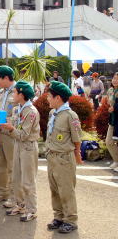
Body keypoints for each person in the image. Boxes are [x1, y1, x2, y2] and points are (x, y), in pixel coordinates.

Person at [45, 81, 83, 234]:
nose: (47, 98)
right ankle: (59, 217)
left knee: (66, 190)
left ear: (58, 98)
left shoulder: (70, 115)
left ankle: (71, 220)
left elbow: (76, 138)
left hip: (64, 158)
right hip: (52, 156)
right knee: (54, 189)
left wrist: (78, 155)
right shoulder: (52, 113)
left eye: (49, 96)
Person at [0, 81, 40, 222]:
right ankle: (20, 204)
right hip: (17, 144)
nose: (13, 94)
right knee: (16, 177)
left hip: (27, 146)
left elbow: (23, 134)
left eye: (15, 92)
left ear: (22, 95)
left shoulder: (31, 112)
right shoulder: (18, 108)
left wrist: (10, 128)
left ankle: (31, 209)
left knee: (28, 180)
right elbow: (13, 124)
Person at [0, 66, 16, 205]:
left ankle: (14, 196)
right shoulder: (1, 92)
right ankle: (2, 191)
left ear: (6, 78)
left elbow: (20, 115)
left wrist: (8, 122)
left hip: (10, 133)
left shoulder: (19, 91)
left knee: (12, 165)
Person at [106, 72, 118, 171]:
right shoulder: (110, 90)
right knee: (109, 142)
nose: (115, 80)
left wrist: (114, 107)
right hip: (113, 120)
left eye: (117, 79)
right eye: (114, 78)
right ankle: (116, 160)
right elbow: (108, 102)